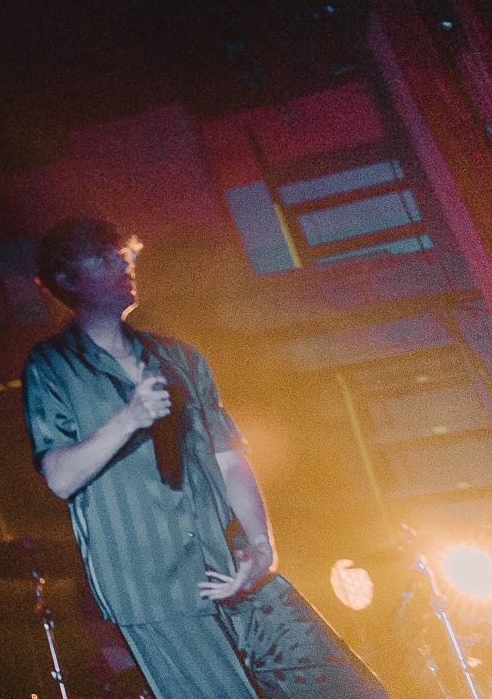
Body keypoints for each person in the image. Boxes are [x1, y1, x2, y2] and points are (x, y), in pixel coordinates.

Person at [21, 217, 387, 699]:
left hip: (228, 565)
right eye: (106, 257)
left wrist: (262, 545)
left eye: (125, 255)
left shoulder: (178, 357)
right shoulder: (50, 365)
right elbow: (59, 476)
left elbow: (228, 457)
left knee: (347, 690)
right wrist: (129, 418)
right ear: (67, 277)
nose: (124, 266)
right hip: (154, 593)